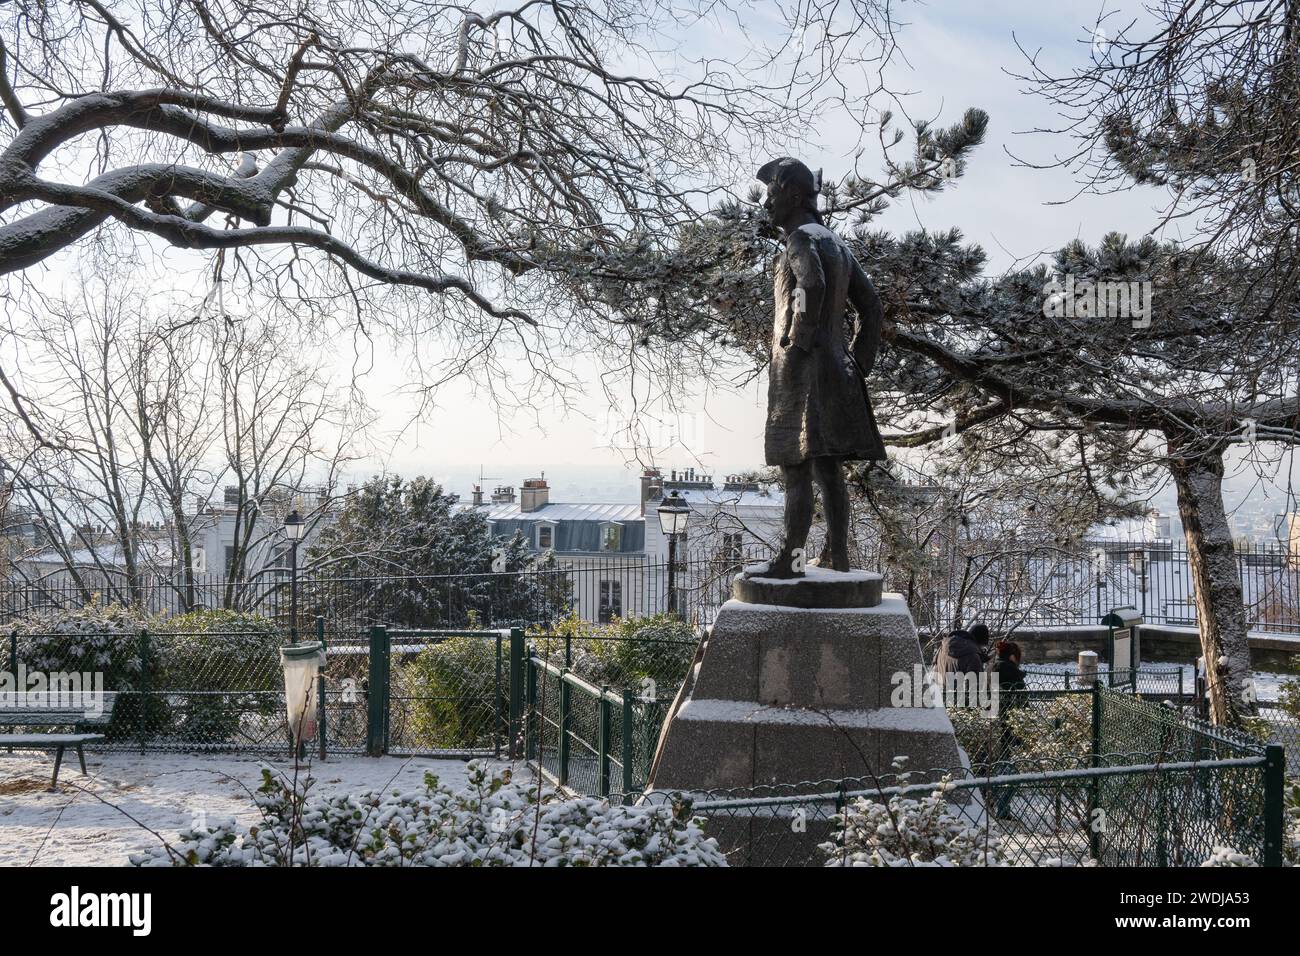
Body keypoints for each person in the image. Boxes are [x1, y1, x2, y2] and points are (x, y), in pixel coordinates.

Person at [751, 157, 887, 576]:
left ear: (792, 194)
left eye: (771, 194)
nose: (766, 204)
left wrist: (798, 335)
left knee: (796, 467)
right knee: (828, 467)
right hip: (835, 369)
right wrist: (856, 363)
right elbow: (873, 307)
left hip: (803, 371)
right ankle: (837, 555)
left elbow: (811, 285)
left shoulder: (800, 240)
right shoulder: (838, 244)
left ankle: (790, 563)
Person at [990, 639, 1028, 820]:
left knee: (993, 766)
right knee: (1009, 769)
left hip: (990, 725)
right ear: (1013, 656)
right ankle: (1003, 809)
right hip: (1008, 725)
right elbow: (1022, 702)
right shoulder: (1011, 672)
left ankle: (992, 804)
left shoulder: (990, 668)